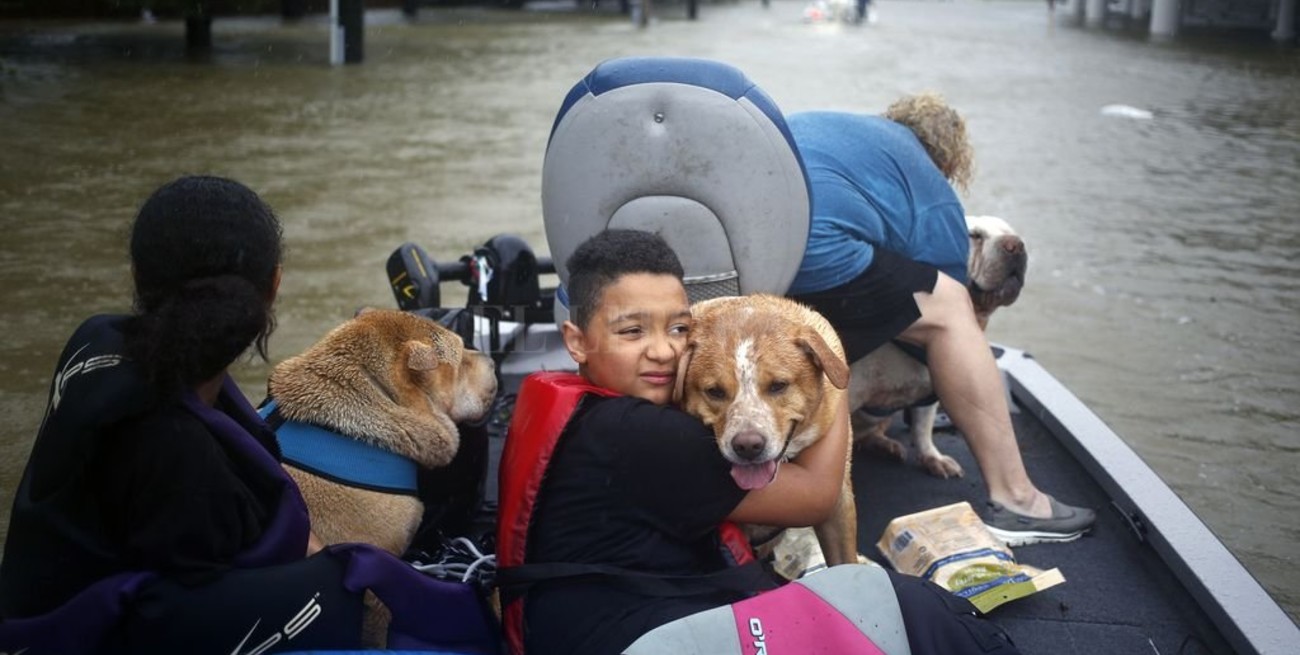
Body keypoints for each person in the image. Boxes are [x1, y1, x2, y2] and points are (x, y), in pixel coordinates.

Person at [0, 176, 496, 654]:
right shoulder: (186, 462)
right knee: (347, 584)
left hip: (30, 611)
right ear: (273, 286)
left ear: (139, 277)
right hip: (95, 631)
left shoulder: (92, 343)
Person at [496, 229, 1023, 655]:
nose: (662, 352)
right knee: (899, 603)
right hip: (635, 638)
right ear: (577, 342)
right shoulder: (649, 438)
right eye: (632, 332)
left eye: (677, 329)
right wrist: (827, 364)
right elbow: (819, 497)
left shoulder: (581, 408)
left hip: (571, 622)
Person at [784, 94, 1096, 544]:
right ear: (949, 159)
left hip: (750, 238)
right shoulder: (929, 185)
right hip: (817, 249)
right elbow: (947, 312)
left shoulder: (847, 135)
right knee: (949, 309)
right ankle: (1017, 500)